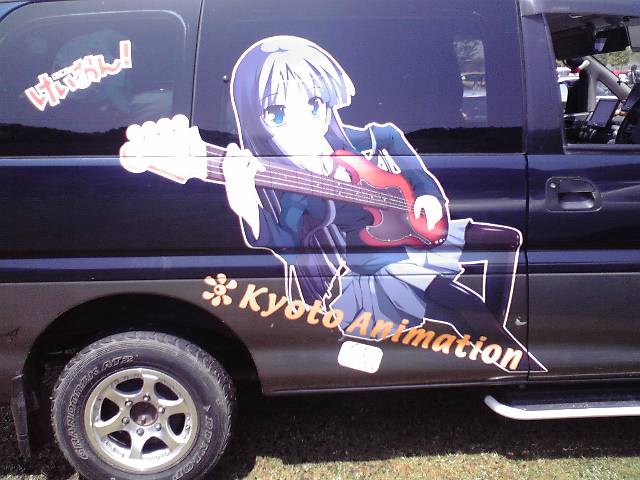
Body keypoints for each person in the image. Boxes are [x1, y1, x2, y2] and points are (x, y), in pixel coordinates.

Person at [120, 36, 545, 372]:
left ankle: (487, 337)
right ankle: (515, 361)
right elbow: (283, 241)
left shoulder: (356, 141)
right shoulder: (289, 186)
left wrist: (428, 195)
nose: (304, 122)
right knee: (462, 304)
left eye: (314, 104)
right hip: (381, 263)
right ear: (255, 119)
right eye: (278, 114)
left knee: (505, 241)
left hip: (414, 227)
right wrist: (245, 199)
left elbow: (395, 143)